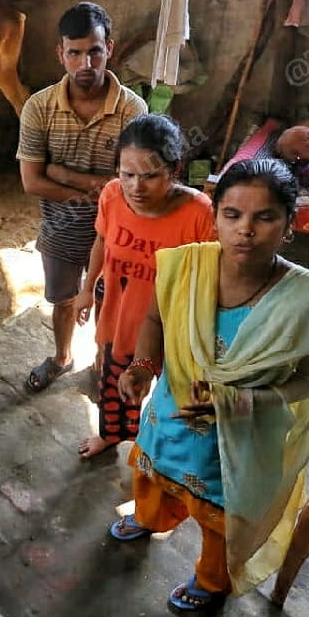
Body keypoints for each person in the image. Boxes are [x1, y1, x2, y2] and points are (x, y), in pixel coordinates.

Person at [108, 159, 309, 615]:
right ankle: (146, 519)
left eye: (265, 217)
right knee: (152, 477)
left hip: (236, 441)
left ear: (289, 225)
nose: (246, 230)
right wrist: (144, 365)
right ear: (216, 216)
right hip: (172, 413)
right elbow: (155, 317)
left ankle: (211, 579)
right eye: (233, 215)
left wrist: (239, 401)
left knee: (221, 520)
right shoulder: (187, 267)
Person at [17, 1, 148, 393]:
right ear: (61, 54)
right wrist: (98, 186)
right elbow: (31, 181)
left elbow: (134, 185)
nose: (85, 63)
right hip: (60, 230)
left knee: (111, 306)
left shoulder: (132, 110)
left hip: (116, 235)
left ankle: (100, 364)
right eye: (74, 53)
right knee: (62, 300)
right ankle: (62, 357)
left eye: (94, 50)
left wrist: (59, 171)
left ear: (110, 48)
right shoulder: (38, 107)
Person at [72, 114, 215, 459]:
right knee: (113, 382)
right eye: (127, 174)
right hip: (118, 311)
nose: (136, 187)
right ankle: (111, 435)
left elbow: (208, 281)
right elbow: (102, 242)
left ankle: (156, 451)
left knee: (170, 394)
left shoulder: (199, 213)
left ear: (175, 170)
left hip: (170, 326)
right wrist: (87, 288)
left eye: (150, 176)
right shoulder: (111, 196)